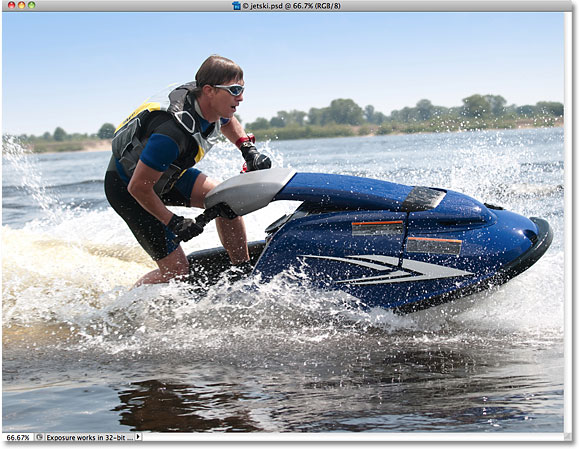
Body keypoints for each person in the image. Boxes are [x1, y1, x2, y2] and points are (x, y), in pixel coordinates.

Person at [104, 55, 271, 286]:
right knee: (177, 272)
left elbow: (227, 119)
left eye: (241, 89)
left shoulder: (210, 103)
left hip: (166, 176)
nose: (240, 98)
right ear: (209, 90)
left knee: (226, 201)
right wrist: (173, 222)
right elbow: (139, 187)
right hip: (129, 189)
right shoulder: (171, 134)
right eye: (233, 90)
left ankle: (241, 274)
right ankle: (126, 308)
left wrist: (247, 149)